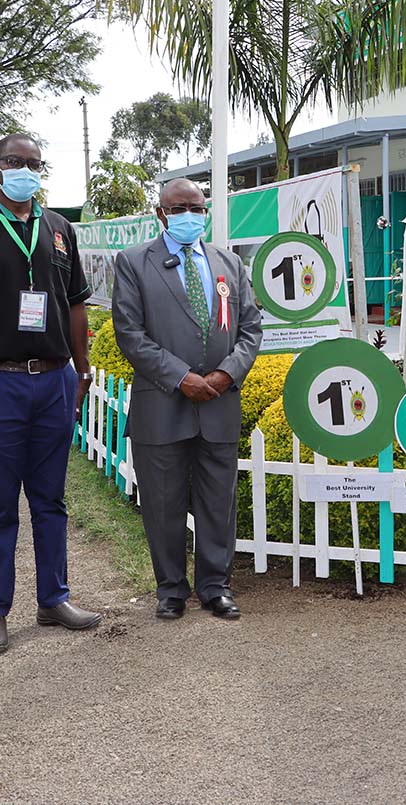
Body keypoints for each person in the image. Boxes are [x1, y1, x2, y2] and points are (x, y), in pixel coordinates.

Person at [0, 132, 103, 655]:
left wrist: (81, 371)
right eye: (15, 161)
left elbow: (76, 308)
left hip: (53, 381)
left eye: (33, 162)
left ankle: (54, 598)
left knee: (51, 499)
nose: (25, 170)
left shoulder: (59, 231)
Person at [112, 178, 262, 620]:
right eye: (179, 208)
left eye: (197, 207)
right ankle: (171, 589)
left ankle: (216, 587)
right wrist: (181, 378)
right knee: (163, 503)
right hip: (162, 405)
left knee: (219, 501)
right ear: (162, 214)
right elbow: (130, 334)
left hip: (219, 401)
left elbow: (250, 329)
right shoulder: (134, 263)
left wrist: (225, 373)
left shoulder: (228, 264)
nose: (190, 215)